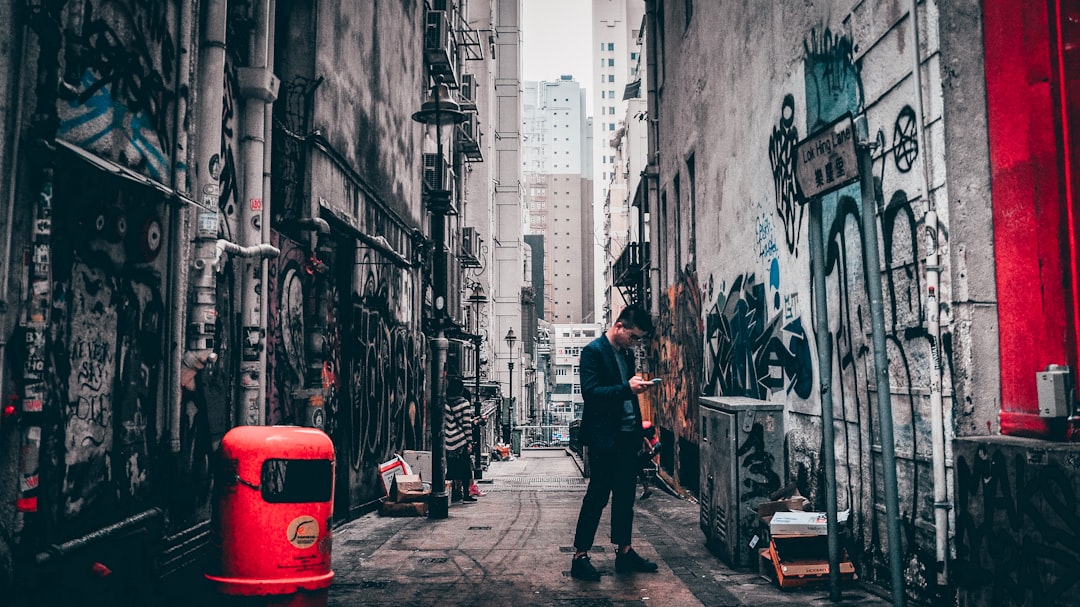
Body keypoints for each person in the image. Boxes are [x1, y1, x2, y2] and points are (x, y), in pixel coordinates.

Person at [570, 305, 660, 581]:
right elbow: (591, 393)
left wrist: (641, 434)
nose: (635, 343)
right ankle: (579, 556)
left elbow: (630, 400)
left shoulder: (626, 354)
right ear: (619, 326)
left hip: (626, 437)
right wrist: (626, 388)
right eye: (634, 337)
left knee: (624, 498)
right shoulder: (593, 352)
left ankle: (625, 552)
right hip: (603, 439)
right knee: (596, 498)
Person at [445, 379, 476, 503]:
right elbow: (466, 424)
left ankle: (452, 493)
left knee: (451, 469)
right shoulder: (464, 403)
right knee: (465, 469)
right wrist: (469, 441)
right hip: (461, 441)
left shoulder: (445, 402)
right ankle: (466, 494)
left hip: (448, 440)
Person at [638, 421, 661, 500]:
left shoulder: (645, 439)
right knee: (639, 469)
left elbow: (647, 450)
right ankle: (646, 490)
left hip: (647, 452)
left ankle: (646, 490)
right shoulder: (647, 439)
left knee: (638, 468)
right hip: (649, 451)